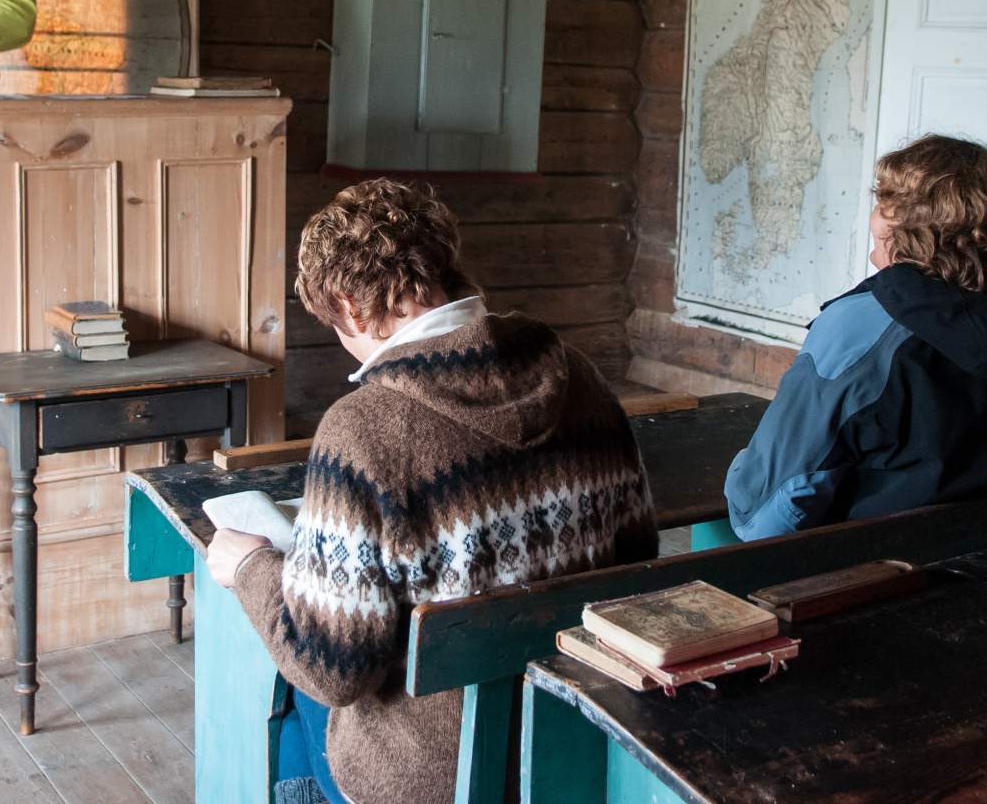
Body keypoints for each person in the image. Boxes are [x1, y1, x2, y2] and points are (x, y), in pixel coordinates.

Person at [203, 178, 657, 804]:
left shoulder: (361, 431)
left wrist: (252, 566)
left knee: (290, 672)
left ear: (350, 308)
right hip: (571, 738)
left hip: (436, 776)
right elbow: (638, 553)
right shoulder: (577, 372)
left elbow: (335, 671)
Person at [722, 135, 987, 541]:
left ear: (907, 228)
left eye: (885, 202)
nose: (875, 222)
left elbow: (765, 514)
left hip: (875, 574)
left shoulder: (859, 328)